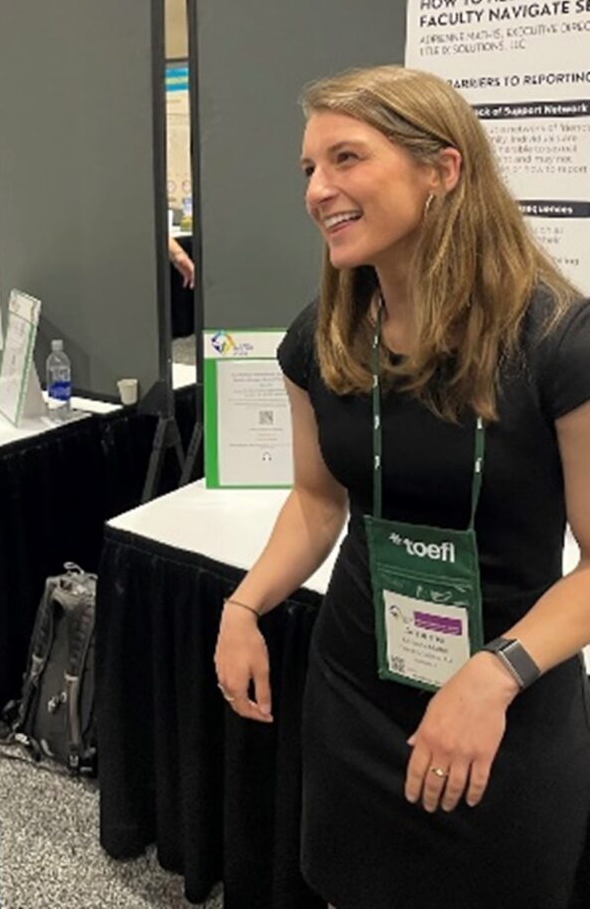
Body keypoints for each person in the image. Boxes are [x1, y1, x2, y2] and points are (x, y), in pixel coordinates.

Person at [214, 65, 590, 909]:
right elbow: (317, 502)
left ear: (442, 168)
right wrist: (245, 605)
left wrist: (493, 675)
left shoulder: (559, 340)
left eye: (346, 158)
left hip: (508, 700)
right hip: (357, 686)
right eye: (309, 169)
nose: (319, 189)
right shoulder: (324, 339)